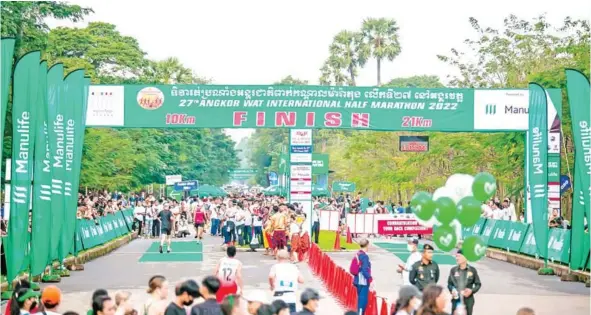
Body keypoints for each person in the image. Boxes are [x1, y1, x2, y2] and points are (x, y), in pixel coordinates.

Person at [447, 250, 481, 315]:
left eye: (459, 256)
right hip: (456, 300)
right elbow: (449, 284)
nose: (457, 258)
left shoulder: (472, 270)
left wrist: (471, 290)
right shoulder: (453, 270)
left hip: (468, 301)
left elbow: (478, 284)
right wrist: (452, 289)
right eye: (456, 256)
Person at [353, 238, 372, 315]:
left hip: (357, 280)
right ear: (367, 245)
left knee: (360, 300)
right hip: (363, 282)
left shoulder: (357, 254)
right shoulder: (364, 256)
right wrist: (370, 278)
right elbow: (364, 270)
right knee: (362, 303)